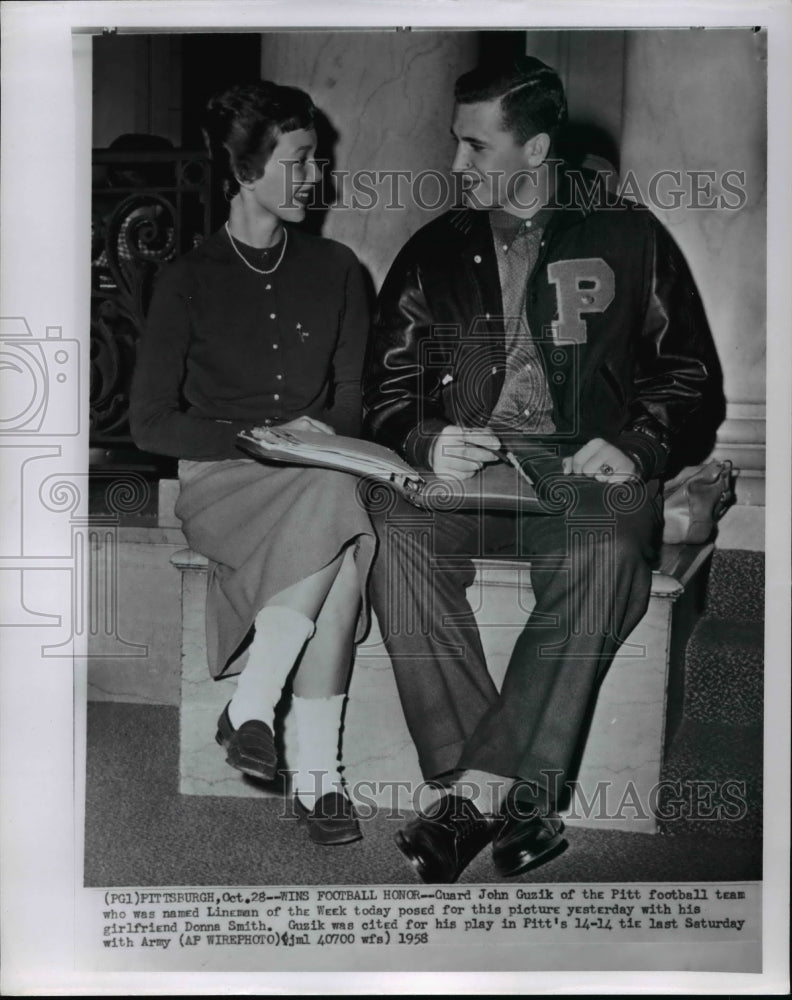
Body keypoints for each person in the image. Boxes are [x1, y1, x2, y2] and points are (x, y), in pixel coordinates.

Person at [362, 56, 725, 881]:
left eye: (476, 148)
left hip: (582, 468)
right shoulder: (432, 251)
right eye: (455, 143)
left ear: (536, 150)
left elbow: (688, 374)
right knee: (390, 529)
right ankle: (515, 799)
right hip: (472, 467)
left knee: (604, 554)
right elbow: (383, 389)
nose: (456, 167)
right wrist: (424, 441)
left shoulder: (629, 235)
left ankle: (473, 799)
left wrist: (637, 442)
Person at [130, 81, 375, 846]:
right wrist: (251, 438)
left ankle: (258, 714)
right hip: (221, 480)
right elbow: (149, 423)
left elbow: (350, 404)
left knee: (331, 511)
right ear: (245, 168)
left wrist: (308, 437)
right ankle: (316, 774)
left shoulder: (338, 270)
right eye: (298, 160)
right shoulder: (188, 279)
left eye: (318, 160)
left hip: (312, 476)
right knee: (335, 520)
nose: (315, 178)